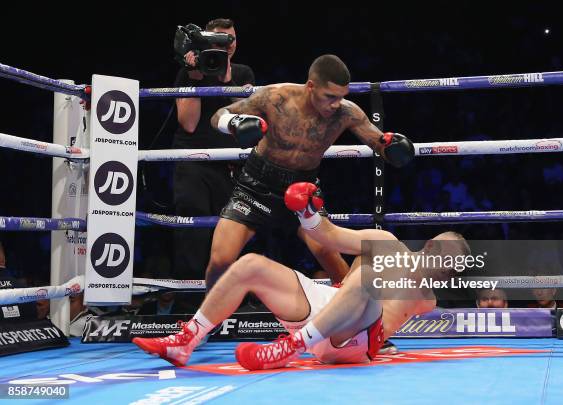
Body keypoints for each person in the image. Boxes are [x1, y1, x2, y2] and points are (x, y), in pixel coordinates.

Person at [133, 182, 468, 369]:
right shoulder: (386, 243)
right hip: (331, 308)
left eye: (449, 265)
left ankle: (291, 346)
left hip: (352, 340)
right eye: (443, 255)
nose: (442, 265)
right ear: (429, 246)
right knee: (250, 264)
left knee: (368, 274)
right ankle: (187, 340)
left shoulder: (427, 299)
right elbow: (331, 236)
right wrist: (307, 213)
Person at [205, 54, 415, 289]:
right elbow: (218, 115)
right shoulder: (276, 97)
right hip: (255, 185)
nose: (336, 104)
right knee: (220, 260)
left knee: (332, 261)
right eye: (330, 96)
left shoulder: (346, 113)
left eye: (341, 97)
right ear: (311, 86)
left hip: (302, 191)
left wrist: (393, 147)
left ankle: (351, 320)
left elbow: (378, 141)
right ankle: (209, 319)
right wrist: (233, 123)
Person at [172, 18, 255, 280]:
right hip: (193, 162)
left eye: (230, 39)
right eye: (219, 38)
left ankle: (231, 295)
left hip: (231, 165)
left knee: (234, 231)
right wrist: (195, 77)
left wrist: (227, 79)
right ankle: (190, 295)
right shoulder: (188, 71)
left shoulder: (243, 74)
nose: (225, 44)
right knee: (193, 226)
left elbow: (248, 117)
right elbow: (189, 123)